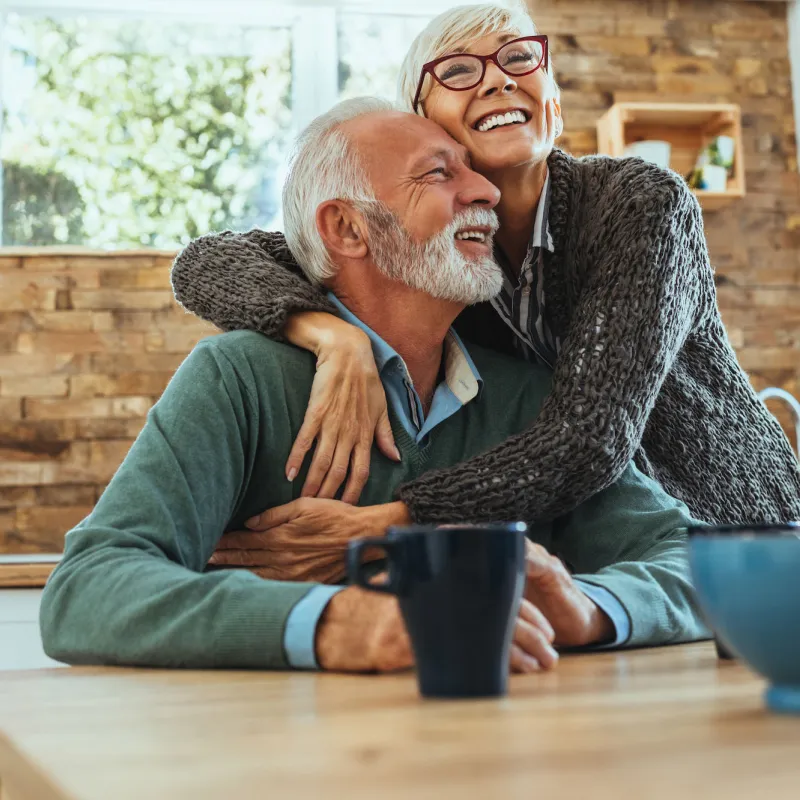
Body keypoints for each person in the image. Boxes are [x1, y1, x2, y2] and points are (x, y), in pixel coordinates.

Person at [40, 99, 707, 673]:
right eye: (440, 174)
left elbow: (696, 563)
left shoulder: (530, 399)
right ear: (347, 228)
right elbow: (89, 589)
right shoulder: (238, 378)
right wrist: (340, 623)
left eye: (473, 171)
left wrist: (589, 609)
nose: (486, 192)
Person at [170, 2, 800, 530]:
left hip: (738, 532)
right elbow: (208, 261)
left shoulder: (641, 204)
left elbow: (590, 439)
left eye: (519, 57)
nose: (498, 80)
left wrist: (389, 523)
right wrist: (329, 335)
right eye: (460, 70)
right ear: (422, 120)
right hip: (595, 546)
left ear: (551, 98)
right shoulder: (433, 250)